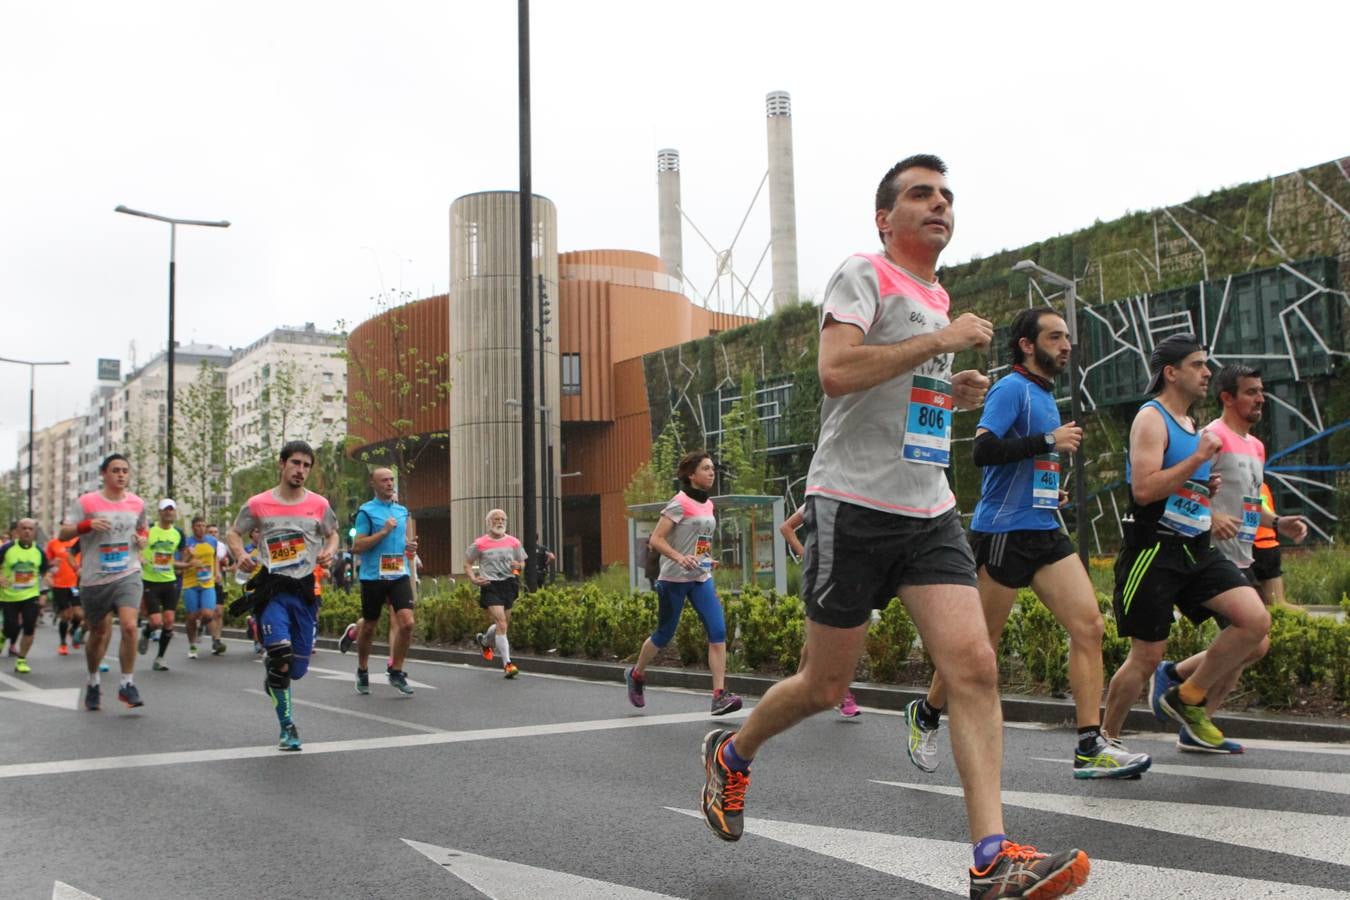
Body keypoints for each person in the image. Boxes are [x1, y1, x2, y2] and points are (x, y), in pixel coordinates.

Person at [698, 155, 1089, 899]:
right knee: (823, 683)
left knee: (974, 665)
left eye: (946, 195)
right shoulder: (863, 275)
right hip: (853, 504)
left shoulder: (938, 296)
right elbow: (838, 372)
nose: (939, 204)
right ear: (886, 217)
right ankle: (732, 755)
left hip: (929, 509)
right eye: (920, 194)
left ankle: (989, 861)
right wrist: (939, 347)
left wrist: (952, 390)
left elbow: (905, 399)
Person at [906, 307, 1151, 780]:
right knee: (980, 648)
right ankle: (928, 713)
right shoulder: (1011, 389)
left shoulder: (1043, 394)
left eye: (1066, 338)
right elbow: (983, 450)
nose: (1066, 346)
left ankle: (1088, 745)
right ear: (1027, 344)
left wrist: (1046, 485)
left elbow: (1026, 461)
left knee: (1089, 627)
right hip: (1003, 534)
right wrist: (1047, 441)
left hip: (1043, 528)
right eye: (1056, 337)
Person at [1101, 336, 1273, 754]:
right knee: (1145, 656)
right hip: (1154, 550)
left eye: (1206, 364)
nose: (1207, 372)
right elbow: (1143, 490)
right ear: (1171, 372)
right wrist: (1196, 462)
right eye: (1197, 365)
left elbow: (1175, 484)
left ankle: (1187, 695)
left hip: (1195, 547)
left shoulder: (1190, 424)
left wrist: (1200, 484)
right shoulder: (1152, 419)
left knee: (1255, 622)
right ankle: (1103, 741)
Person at [1143, 364, 1307, 754]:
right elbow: (1185, 486)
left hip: (1244, 555)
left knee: (1248, 645)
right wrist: (1211, 516)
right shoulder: (1211, 437)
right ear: (1227, 398)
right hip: (1212, 555)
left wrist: (1277, 521)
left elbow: (1250, 501)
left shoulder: (1256, 445)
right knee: (1253, 641)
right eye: (1251, 392)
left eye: (1261, 392)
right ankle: (1184, 694)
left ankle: (1186, 698)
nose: (1260, 399)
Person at [227, 440, 338, 751]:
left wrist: (328, 552)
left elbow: (333, 534)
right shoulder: (259, 504)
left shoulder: (318, 504)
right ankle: (287, 727)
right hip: (272, 589)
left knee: (297, 669)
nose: (300, 470)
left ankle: (275, 675)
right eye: (295, 463)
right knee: (281, 657)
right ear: (282, 464)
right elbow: (234, 532)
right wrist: (240, 554)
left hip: (304, 592)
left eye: (306, 466)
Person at [625, 452, 743, 716]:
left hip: (700, 578)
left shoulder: (708, 504)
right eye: (706, 468)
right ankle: (636, 674)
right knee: (664, 634)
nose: (712, 472)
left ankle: (719, 696)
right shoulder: (679, 502)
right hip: (673, 579)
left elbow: (700, 539)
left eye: (713, 468)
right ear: (692, 474)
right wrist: (680, 558)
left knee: (718, 631)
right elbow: (656, 539)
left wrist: (705, 560)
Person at [60, 453, 149, 711]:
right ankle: (93, 680)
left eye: (125, 470)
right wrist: (86, 525)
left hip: (128, 573)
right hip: (95, 578)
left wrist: (142, 539)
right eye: (115, 470)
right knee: (99, 633)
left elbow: (143, 528)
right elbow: (63, 532)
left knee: (130, 627)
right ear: (104, 474)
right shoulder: (87, 502)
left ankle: (127, 683)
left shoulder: (136, 502)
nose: (121, 475)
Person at [780, 506, 859, 719]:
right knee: (833, 628)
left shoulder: (855, 500)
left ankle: (795, 688)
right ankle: (842, 693)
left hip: (844, 573)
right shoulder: (817, 500)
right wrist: (804, 554)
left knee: (820, 630)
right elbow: (786, 527)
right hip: (820, 573)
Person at [347, 468, 417, 695]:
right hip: (373, 576)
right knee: (369, 626)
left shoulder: (402, 511)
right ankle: (362, 669)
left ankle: (396, 671)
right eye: (384, 480)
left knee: (407, 622)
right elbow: (357, 546)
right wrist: (384, 532)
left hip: (398, 574)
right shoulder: (366, 512)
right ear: (373, 484)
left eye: (391, 480)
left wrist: (410, 546)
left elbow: (404, 541)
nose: (389, 484)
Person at [467, 509, 526, 679]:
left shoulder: (514, 542)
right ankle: (508, 664)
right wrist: (473, 578)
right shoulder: (480, 543)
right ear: (489, 523)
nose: (500, 522)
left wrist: (519, 566)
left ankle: (485, 640)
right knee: (501, 622)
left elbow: (522, 563)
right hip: (490, 584)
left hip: (509, 584)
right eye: (496, 519)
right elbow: (467, 563)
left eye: (503, 519)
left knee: (504, 623)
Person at [139, 499, 185, 671]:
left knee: (169, 621)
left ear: (175, 512)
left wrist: (188, 560)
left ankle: (160, 658)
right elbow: (137, 545)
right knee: (156, 622)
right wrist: (140, 556)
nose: (168, 512)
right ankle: (146, 632)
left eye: (171, 509)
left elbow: (182, 555)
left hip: (169, 580)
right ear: (159, 512)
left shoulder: (178, 533)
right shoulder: (149, 530)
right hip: (150, 580)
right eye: (165, 509)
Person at [0, 518, 50, 674]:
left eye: (30, 529)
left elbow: (44, 574)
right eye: (24, 528)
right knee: (11, 628)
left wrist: (43, 594)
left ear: (34, 532)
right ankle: (3, 636)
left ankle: (21, 660)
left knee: (29, 628)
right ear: (18, 531)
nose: (27, 531)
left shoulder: (39, 552)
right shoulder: (7, 548)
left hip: (30, 595)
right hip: (9, 596)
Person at [181, 515, 224, 659]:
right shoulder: (187, 542)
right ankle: (192, 645)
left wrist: (217, 572)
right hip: (191, 583)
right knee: (192, 617)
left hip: (207, 582)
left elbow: (214, 558)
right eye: (198, 526)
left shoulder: (212, 541)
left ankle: (203, 627)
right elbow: (180, 564)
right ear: (193, 528)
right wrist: (188, 557)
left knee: (208, 614)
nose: (201, 528)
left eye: (203, 525)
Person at [1252, 483, 1292, 607]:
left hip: (1257, 545)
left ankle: (1307, 619)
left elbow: (1258, 509)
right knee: (1275, 603)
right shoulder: (1263, 485)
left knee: (1273, 604)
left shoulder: (1252, 484)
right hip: (1269, 544)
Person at [46, 530, 83, 655]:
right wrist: (51, 566)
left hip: (75, 584)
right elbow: (46, 563)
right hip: (59, 585)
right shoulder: (53, 543)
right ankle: (63, 643)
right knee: (66, 615)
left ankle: (72, 631)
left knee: (79, 614)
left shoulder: (78, 542)